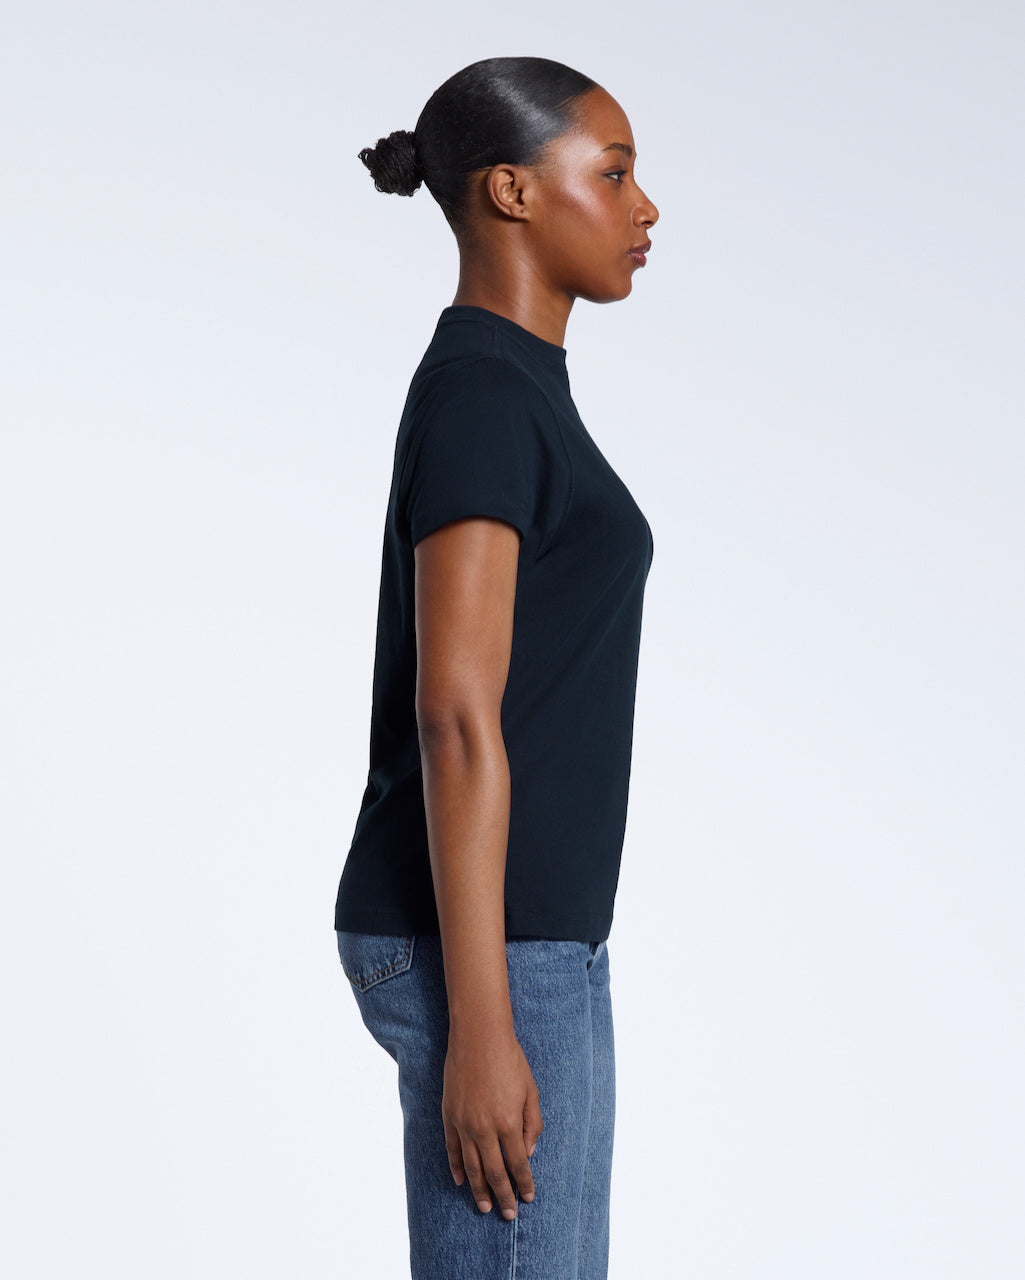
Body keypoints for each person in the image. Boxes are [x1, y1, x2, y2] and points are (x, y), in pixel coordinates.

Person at [334, 55, 659, 1280]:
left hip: (532, 939)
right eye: (614, 172)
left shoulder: (518, 387)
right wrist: (484, 1022)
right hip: (491, 947)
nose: (645, 207)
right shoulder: (482, 391)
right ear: (512, 192)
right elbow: (455, 714)